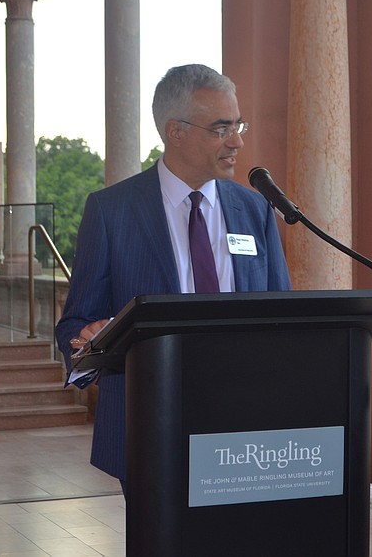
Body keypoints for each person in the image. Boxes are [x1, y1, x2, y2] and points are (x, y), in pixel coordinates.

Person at [55, 64, 291, 491]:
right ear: (175, 131)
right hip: (151, 426)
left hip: (247, 431)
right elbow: (76, 323)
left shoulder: (255, 209)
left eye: (238, 125)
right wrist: (87, 339)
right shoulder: (112, 212)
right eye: (221, 129)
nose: (237, 141)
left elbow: (282, 313)